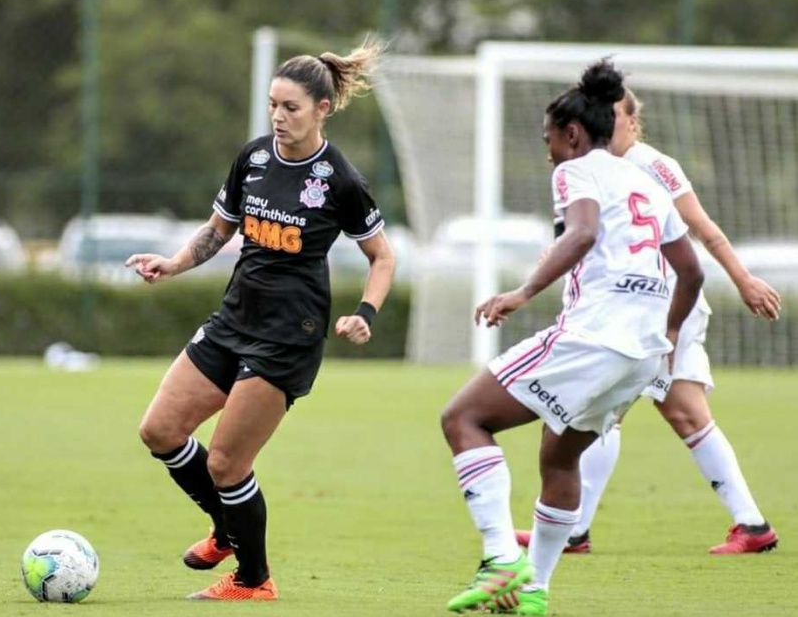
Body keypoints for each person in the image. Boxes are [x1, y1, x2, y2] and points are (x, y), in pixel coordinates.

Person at [124, 37, 394, 602]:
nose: (278, 116)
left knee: (226, 462)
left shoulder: (340, 179)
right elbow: (219, 229)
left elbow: (382, 256)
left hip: (286, 337)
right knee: (160, 431)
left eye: (290, 107)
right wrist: (173, 264)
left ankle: (254, 579)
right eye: (273, 104)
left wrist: (365, 312)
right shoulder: (253, 158)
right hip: (234, 317)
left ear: (322, 109)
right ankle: (227, 529)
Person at [441, 60, 704, 616]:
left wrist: (523, 292)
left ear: (575, 134)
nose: (549, 152)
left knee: (463, 419)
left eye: (549, 140)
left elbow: (581, 232)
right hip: (641, 355)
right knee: (560, 460)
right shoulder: (649, 183)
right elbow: (693, 272)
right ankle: (533, 591)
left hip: (593, 336)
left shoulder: (577, 169)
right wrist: (670, 331)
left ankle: (499, 560)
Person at [516, 88, 781, 557]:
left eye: (614, 115)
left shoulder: (651, 165)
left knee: (601, 409)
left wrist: (743, 280)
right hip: (641, 307)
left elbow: (703, 230)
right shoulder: (592, 171)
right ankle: (751, 523)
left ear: (633, 123)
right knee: (676, 412)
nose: (603, 122)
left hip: (661, 305)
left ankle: (572, 529)